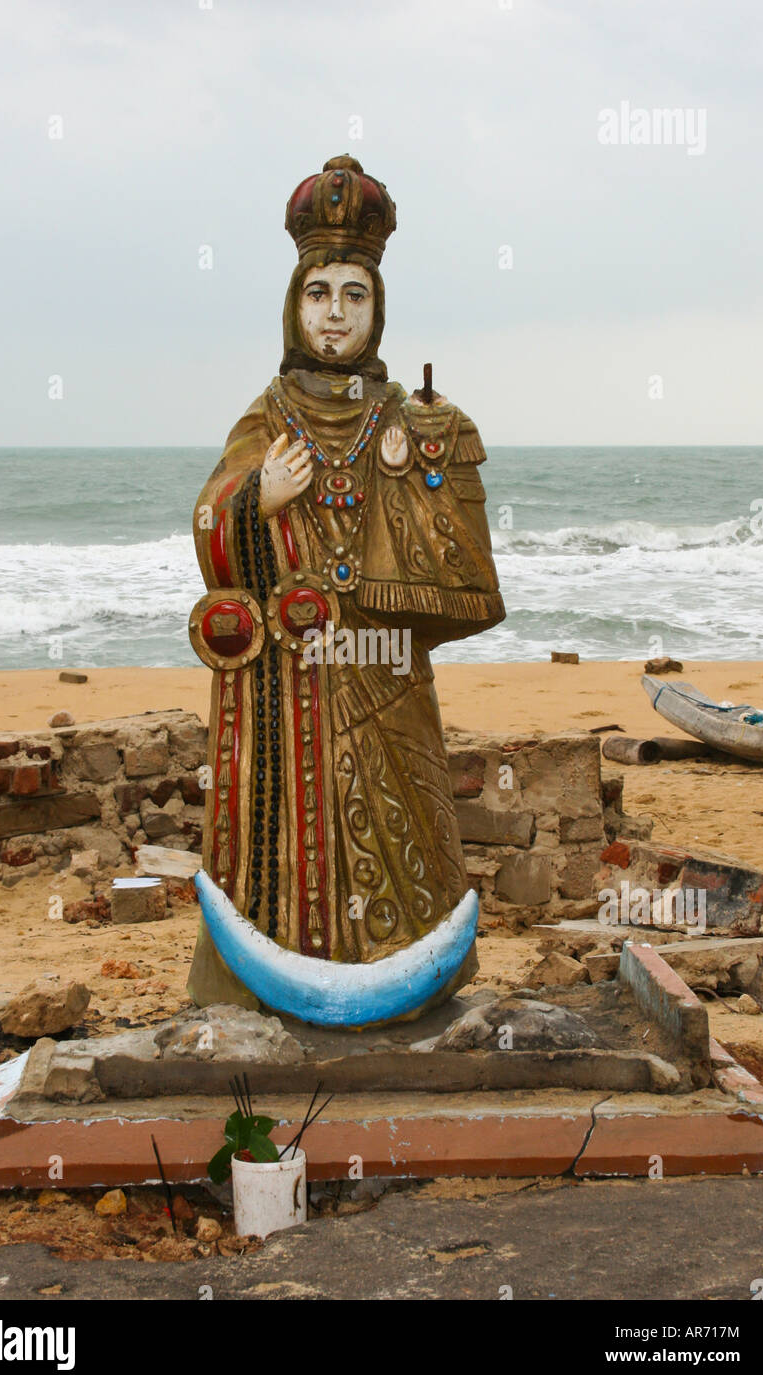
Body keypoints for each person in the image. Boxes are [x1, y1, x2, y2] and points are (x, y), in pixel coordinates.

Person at [187, 154, 504, 1013]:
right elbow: (210, 525)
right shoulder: (270, 413)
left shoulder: (409, 418)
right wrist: (259, 499)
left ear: (378, 305)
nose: (335, 314)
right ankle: (281, 986)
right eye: (318, 294)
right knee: (293, 833)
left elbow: (462, 576)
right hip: (290, 684)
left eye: (353, 295)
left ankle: (410, 989)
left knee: (408, 818)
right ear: (294, 304)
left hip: (385, 674)